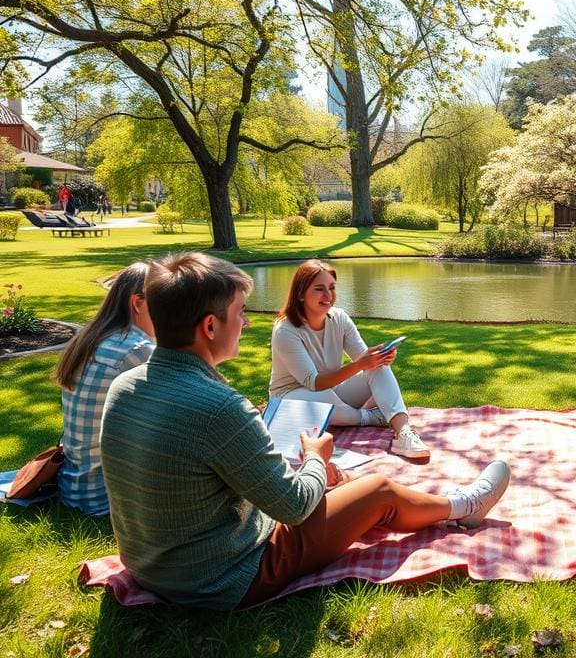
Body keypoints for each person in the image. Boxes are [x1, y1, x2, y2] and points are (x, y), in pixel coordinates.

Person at [100, 252, 510, 610]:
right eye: (240, 312)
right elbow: (294, 506)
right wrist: (315, 457)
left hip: (150, 564)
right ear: (210, 326)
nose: (245, 322)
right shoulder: (220, 408)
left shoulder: (125, 386)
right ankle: (463, 507)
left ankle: (399, 499)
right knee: (377, 489)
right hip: (222, 578)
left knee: (343, 484)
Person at [270, 259, 430, 460]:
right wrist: (361, 364)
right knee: (322, 399)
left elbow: (362, 359)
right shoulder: (286, 330)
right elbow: (313, 382)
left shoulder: (339, 318)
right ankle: (371, 417)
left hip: (331, 391)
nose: (328, 295)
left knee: (377, 367)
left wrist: (379, 358)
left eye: (332, 287)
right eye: (319, 289)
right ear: (301, 294)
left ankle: (403, 433)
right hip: (291, 399)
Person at [54, 262, 155, 515]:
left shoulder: (91, 337)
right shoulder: (136, 349)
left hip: (73, 485)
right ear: (137, 302)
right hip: (104, 499)